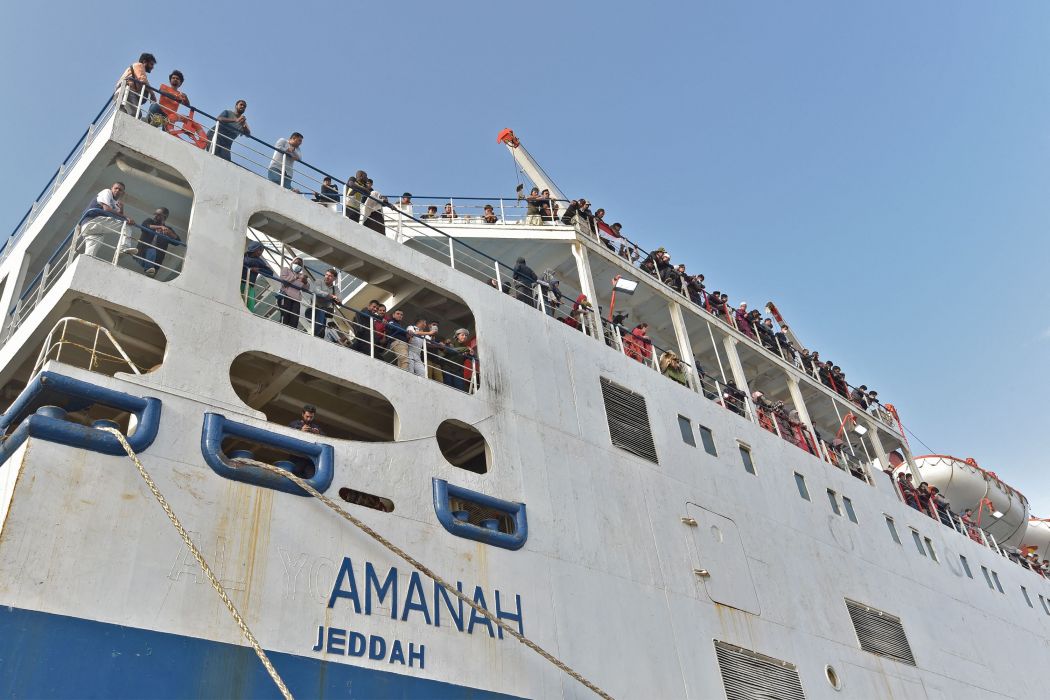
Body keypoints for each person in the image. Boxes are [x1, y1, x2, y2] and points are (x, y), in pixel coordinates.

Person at [79, 182, 135, 260]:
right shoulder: (107, 192)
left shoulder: (115, 203)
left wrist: (121, 209)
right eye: (116, 188)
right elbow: (106, 208)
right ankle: (123, 248)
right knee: (126, 224)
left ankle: (85, 262)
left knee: (90, 254)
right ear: (111, 188)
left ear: (123, 193)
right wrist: (126, 217)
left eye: (120, 190)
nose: (117, 190)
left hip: (91, 228)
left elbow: (117, 216)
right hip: (92, 222)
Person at [156, 70, 208, 148]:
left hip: (170, 116)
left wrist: (186, 99)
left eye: (177, 78)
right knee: (154, 106)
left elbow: (187, 105)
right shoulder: (164, 86)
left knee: (166, 136)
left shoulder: (181, 94)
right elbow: (162, 92)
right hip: (160, 110)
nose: (175, 79)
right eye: (173, 78)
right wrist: (176, 97)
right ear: (170, 80)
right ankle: (147, 120)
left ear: (180, 83)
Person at [132, 207, 180, 277]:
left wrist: (170, 233)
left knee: (150, 279)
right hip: (142, 255)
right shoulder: (149, 221)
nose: (155, 216)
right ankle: (149, 270)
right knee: (152, 251)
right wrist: (160, 227)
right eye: (155, 214)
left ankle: (150, 271)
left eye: (158, 214)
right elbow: (145, 226)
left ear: (164, 217)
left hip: (156, 261)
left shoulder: (168, 229)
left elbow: (177, 242)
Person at [241, 241, 274, 312]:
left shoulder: (259, 261)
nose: (261, 253)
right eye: (260, 250)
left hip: (249, 285)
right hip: (239, 282)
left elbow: (270, 273)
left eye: (262, 251)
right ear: (254, 249)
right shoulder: (242, 255)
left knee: (249, 305)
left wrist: (259, 270)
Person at [277, 257, 310, 328]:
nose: (298, 265)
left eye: (300, 264)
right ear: (292, 263)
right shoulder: (286, 270)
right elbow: (283, 280)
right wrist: (296, 277)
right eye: (296, 263)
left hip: (296, 299)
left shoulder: (302, 276)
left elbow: (306, 289)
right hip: (286, 296)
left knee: (294, 319)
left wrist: (305, 282)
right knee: (285, 316)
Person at [311, 268, 339, 337]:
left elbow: (340, 299)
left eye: (330, 276)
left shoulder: (335, 289)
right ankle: (316, 335)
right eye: (326, 275)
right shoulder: (319, 282)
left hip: (324, 312)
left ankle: (319, 336)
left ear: (334, 278)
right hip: (312, 309)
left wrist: (337, 299)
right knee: (321, 320)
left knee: (322, 326)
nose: (327, 277)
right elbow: (316, 291)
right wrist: (329, 296)